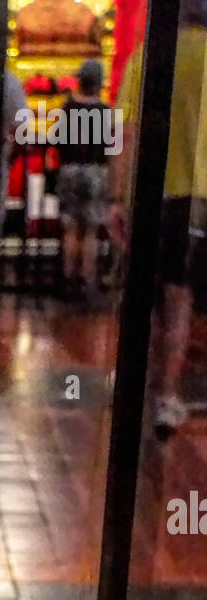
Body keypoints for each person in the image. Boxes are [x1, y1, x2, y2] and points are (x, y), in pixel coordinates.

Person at [115, 1, 207, 433]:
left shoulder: (146, 58)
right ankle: (167, 394)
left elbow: (126, 136)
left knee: (143, 296)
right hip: (200, 199)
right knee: (180, 298)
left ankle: (139, 381)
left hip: (156, 195)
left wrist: (119, 199)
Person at [56, 59, 111, 297]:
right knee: (90, 229)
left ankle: (67, 278)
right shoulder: (106, 111)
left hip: (70, 169)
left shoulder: (68, 108)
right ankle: (86, 279)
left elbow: (57, 139)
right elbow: (111, 144)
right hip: (96, 171)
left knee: (70, 226)